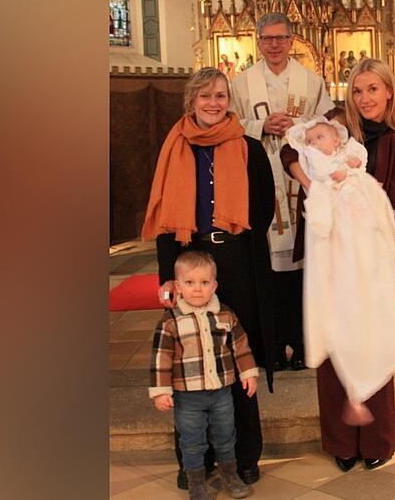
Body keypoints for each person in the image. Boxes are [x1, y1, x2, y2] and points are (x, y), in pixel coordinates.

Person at [282, 58, 395, 473]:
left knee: (372, 341)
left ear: (389, 93)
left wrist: (353, 191)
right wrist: (311, 182)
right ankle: (341, 441)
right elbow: (293, 146)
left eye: (373, 89)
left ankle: (377, 438)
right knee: (333, 343)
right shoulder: (333, 124)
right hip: (329, 254)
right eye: (357, 90)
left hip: (371, 258)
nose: (364, 98)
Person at [141, 67, 276, 488]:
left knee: (237, 357)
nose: (213, 103)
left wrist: (237, 241)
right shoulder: (173, 148)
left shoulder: (250, 148)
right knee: (189, 361)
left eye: (220, 95)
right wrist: (170, 275)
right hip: (190, 259)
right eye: (205, 97)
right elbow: (166, 215)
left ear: (228, 100)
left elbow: (265, 208)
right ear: (191, 101)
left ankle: (245, 455)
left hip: (236, 259)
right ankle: (194, 460)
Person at [230, 12, 334, 372]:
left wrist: (300, 127)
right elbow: (228, 124)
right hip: (260, 180)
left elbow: (328, 126)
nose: (274, 45)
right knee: (267, 271)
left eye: (281, 38)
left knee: (305, 268)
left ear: (292, 41)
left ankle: (303, 342)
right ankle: (272, 346)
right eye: (267, 38)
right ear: (257, 42)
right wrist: (260, 124)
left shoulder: (311, 81)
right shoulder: (241, 85)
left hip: (301, 182)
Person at [150, 251, 257, 500]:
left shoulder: (225, 315)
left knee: (226, 435)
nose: (197, 289)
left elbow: (240, 346)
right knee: (192, 441)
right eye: (189, 283)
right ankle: (196, 482)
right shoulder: (170, 322)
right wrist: (161, 391)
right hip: (188, 396)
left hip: (221, 392)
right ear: (177, 286)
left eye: (204, 283)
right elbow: (160, 359)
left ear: (214, 285)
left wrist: (248, 373)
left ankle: (230, 475)